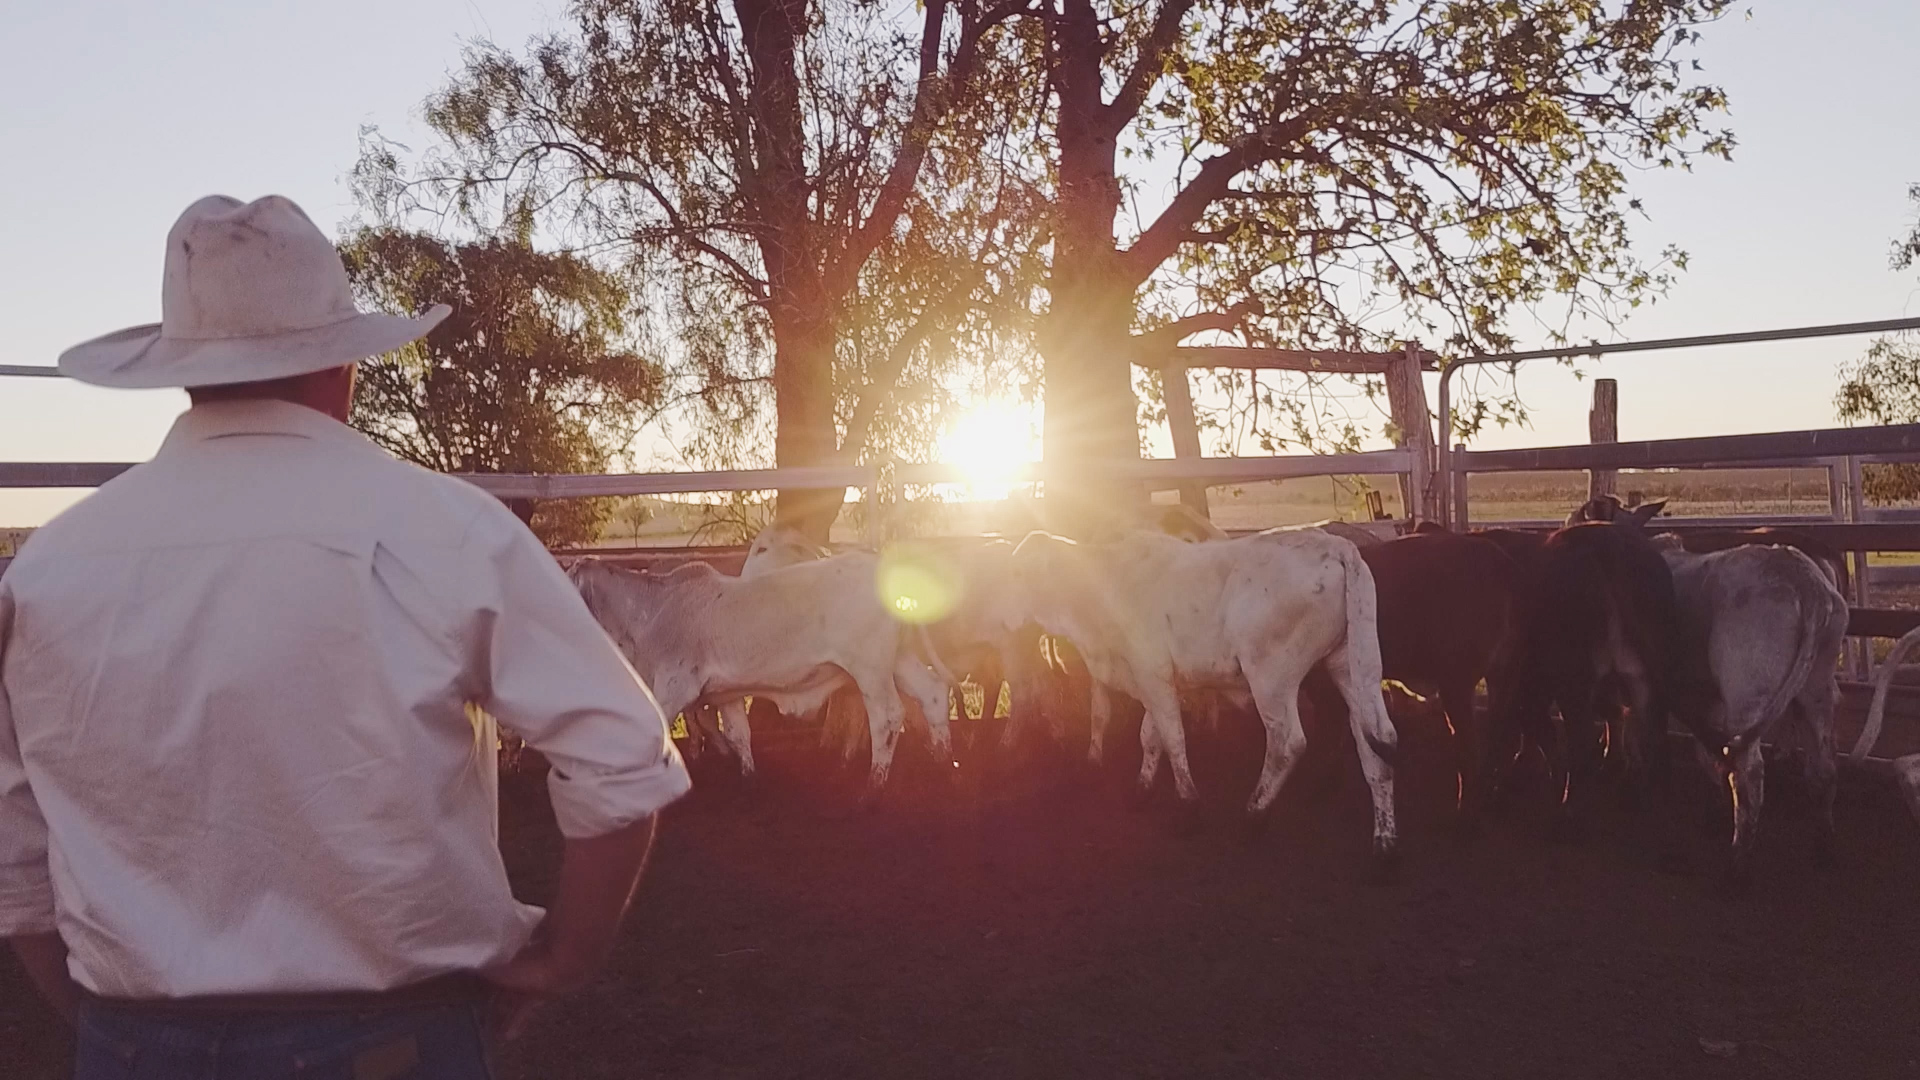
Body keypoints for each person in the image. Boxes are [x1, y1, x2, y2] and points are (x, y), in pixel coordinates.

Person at [0, 194, 690, 1078]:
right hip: (392, 1039)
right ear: (344, 367)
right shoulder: (445, 528)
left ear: (182, 372)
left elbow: (17, 836)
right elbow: (623, 757)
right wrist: (564, 960)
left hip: (135, 1038)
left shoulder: (52, 566)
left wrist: (101, 1012)